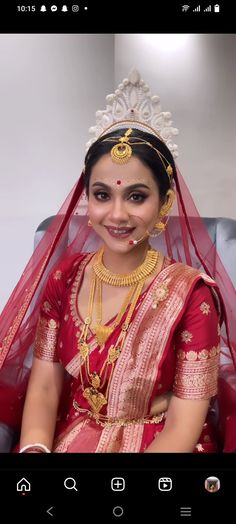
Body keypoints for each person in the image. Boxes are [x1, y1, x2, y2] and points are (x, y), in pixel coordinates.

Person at [0, 70, 235, 453]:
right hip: (72, 437)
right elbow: (44, 387)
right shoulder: (66, 276)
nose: (117, 214)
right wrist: (35, 451)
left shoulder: (191, 295)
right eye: (102, 194)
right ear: (86, 200)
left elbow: (183, 423)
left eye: (137, 196)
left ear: (165, 202)